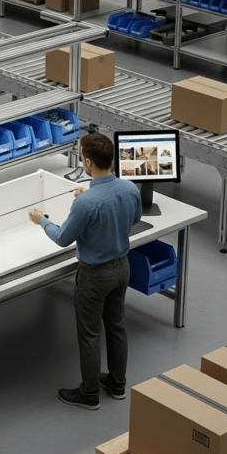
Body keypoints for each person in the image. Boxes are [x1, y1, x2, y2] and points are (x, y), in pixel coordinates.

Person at [28, 133, 142, 410]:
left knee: (90, 334)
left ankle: (89, 394)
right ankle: (117, 383)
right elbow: (135, 219)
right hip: (122, 268)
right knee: (116, 327)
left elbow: (63, 237)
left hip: (94, 276)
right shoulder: (130, 189)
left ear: (88, 163)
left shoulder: (85, 203)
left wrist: (42, 220)